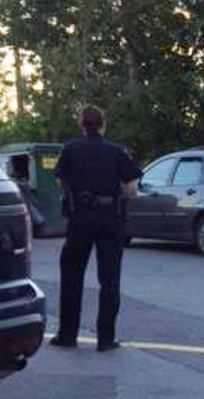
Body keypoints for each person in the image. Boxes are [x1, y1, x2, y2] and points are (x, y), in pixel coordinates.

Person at [49, 106, 142, 352]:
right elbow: (132, 188)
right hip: (110, 218)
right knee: (109, 279)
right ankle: (105, 339)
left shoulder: (70, 148)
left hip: (79, 217)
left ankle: (67, 335)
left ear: (82, 125)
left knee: (71, 275)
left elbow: (60, 179)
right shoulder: (116, 152)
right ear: (103, 125)